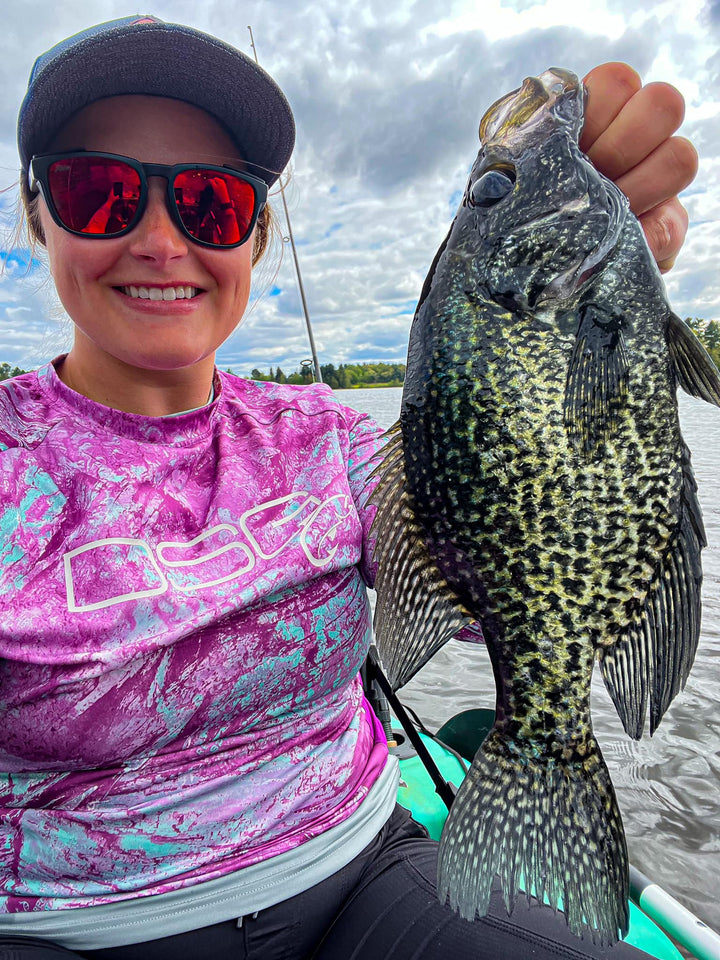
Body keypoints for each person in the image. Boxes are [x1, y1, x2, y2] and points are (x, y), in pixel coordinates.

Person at [0, 14, 698, 960]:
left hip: (361, 867)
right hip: (63, 926)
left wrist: (615, 308)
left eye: (209, 201)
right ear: (37, 215)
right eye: (100, 191)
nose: (161, 241)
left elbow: (502, 550)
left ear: (254, 233)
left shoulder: (328, 436)